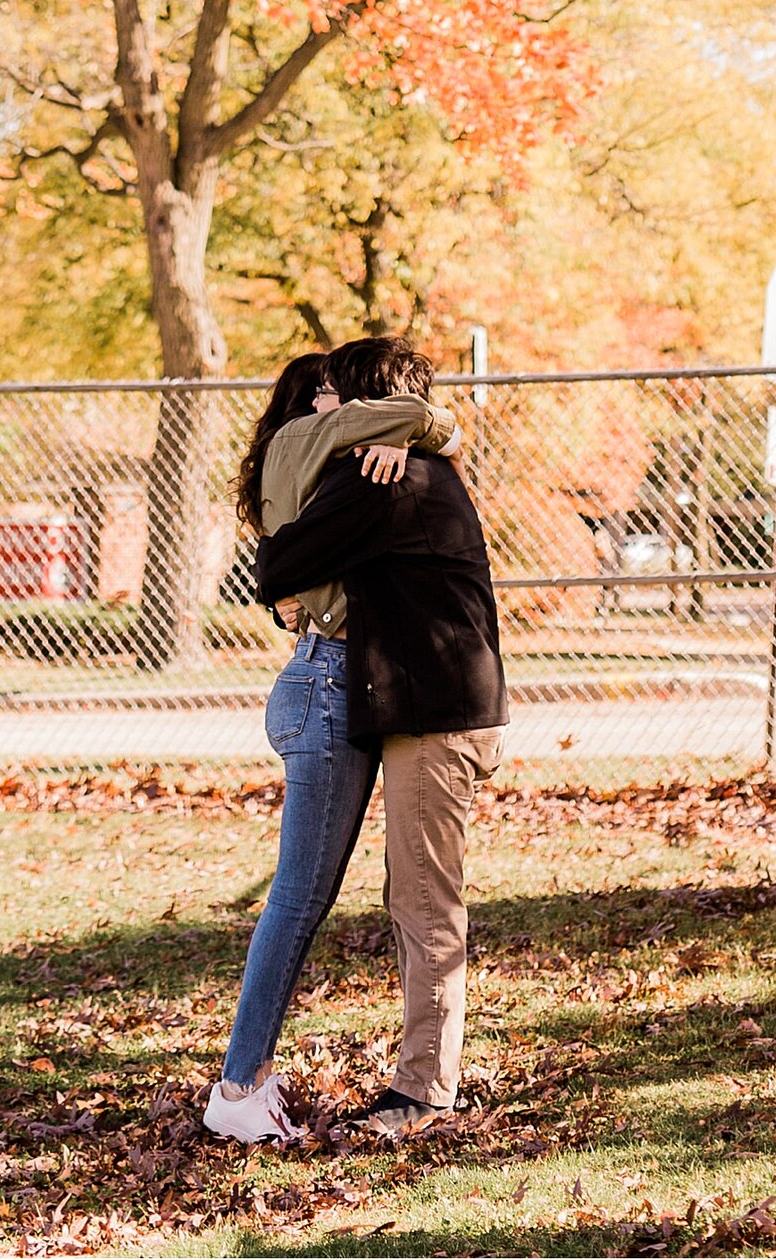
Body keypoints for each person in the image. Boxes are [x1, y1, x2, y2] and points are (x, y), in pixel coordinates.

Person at [253, 334, 509, 1141]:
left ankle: (424, 1093)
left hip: (436, 720)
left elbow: (276, 561)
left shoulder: (383, 481)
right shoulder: (402, 465)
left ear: (363, 403)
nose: (320, 406)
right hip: (432, 711)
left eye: (332, 393)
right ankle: (423, 1080)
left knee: (425, 903)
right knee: (417, 899)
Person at [201, 343, 457, 1147]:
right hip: (327, 679)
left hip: (338, 674)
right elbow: (422, 416)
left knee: (307, 895)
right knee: (300, 895)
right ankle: (240, 1084)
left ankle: (248, 1077)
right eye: (324, 397)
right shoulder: (321, 444)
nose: (333, 408)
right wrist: (404, 429)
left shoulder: (311, 459)